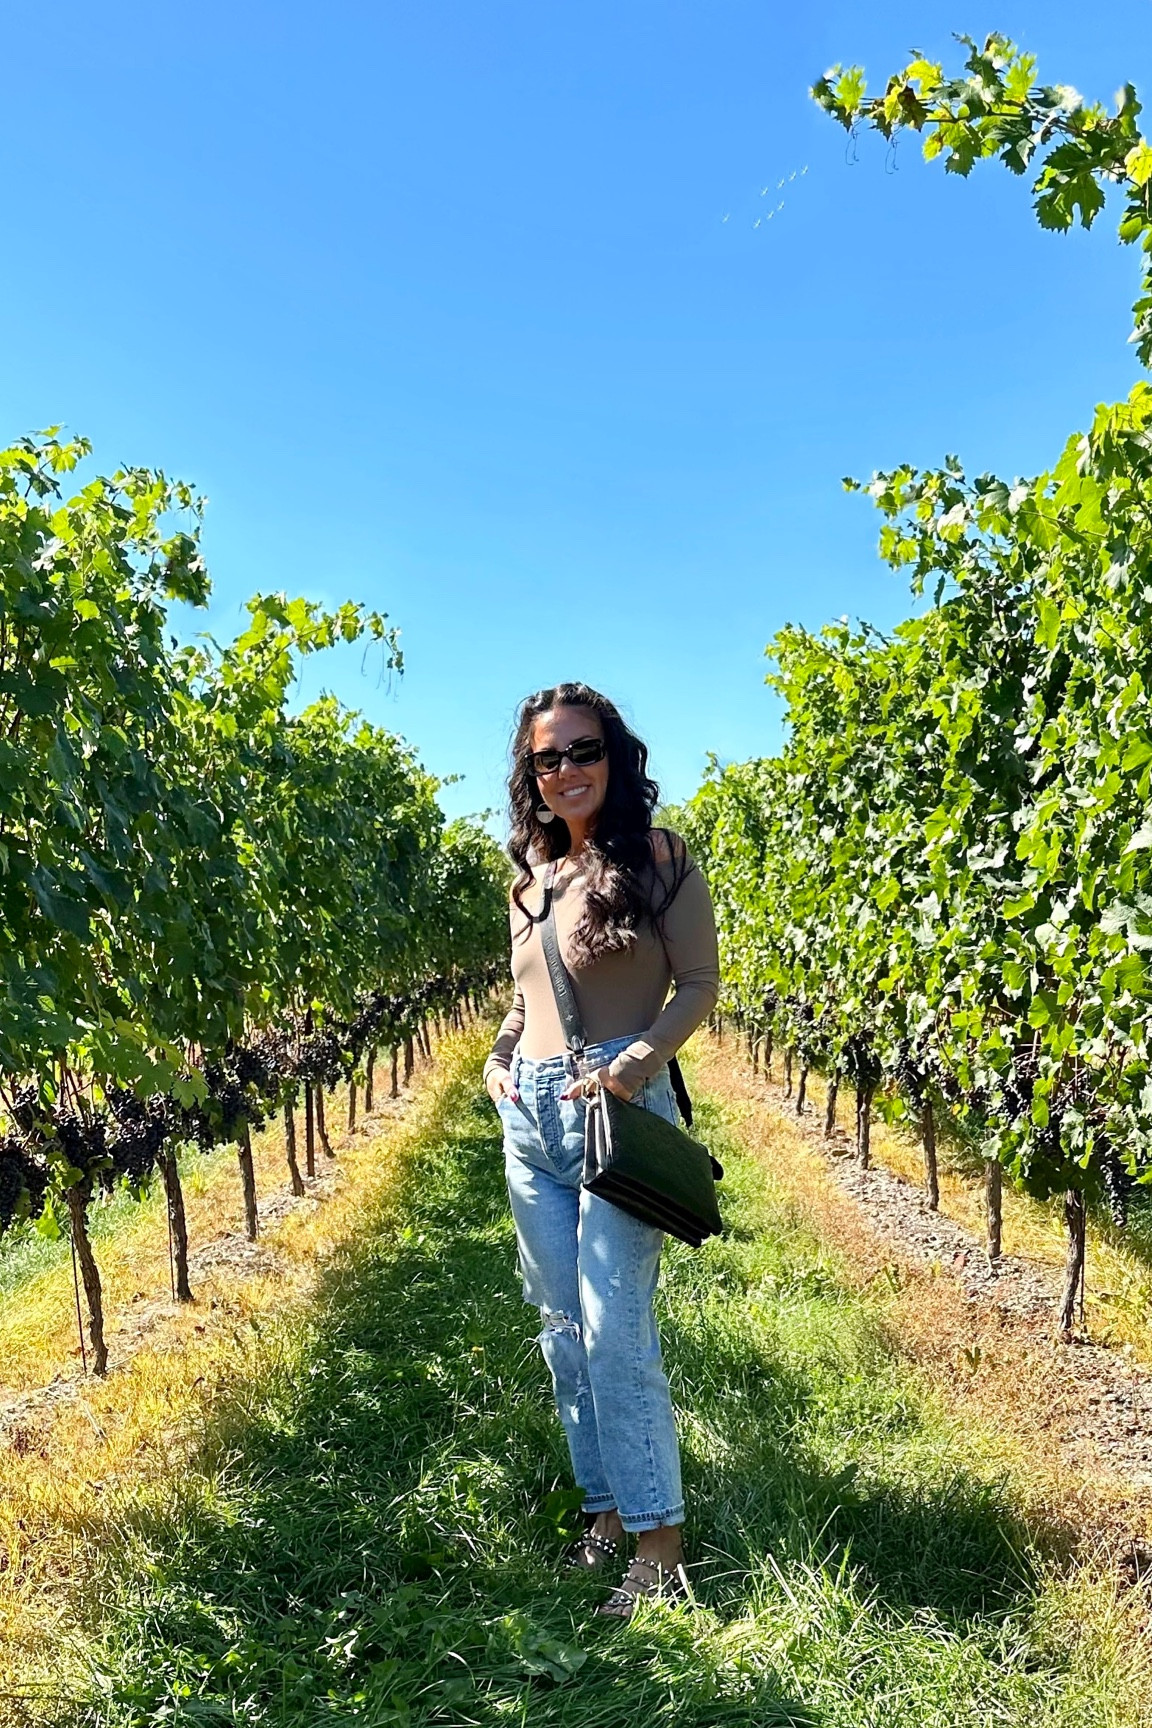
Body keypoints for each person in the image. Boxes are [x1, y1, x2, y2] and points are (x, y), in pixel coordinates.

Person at [483, 682, 719, 1618]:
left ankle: (661, 1540)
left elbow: (698, 985)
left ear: (613, 760)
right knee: (562, 1333)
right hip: (532, 1117)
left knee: (614, 1326)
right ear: (531, 775)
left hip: (617, 1106)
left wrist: (637, 1061)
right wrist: (501, 1066)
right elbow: (518, 1004)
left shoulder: (660, 859)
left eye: (583, 752)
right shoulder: (530, 879)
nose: (566, 771)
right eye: (548, 758)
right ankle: (608, 1512)